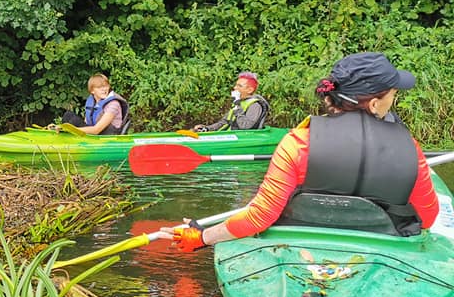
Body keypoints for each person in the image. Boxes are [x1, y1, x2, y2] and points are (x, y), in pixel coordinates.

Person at [163, 52, 439, 252]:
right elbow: (427, 218)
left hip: (302, 244)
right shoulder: (408, 147)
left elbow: (260, 217)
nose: (394, 99)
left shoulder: (298, 143)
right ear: (376, 103)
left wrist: (202, 237)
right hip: (382, 247)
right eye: (393, 93)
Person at [193, 71, 269, 132]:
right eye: (236, 85)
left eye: (240, 86)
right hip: (231, 135)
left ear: (250, 90)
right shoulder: (239, 102)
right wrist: (207, 128)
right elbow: (224, 122)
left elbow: (245, 126)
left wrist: (237, 108)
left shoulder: (255, 106)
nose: (235, 87)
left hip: (243, 139)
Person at [61, 74, 130, 134]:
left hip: (106, 135)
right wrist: (62, 128)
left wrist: (69, 130)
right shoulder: (92, 101)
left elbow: (96, 130)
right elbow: (86, 122)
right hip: (94, 132)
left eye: (105, 86)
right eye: (99, 87)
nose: (104, 89)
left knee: (70, 122)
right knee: (68, 115)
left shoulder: (113, 104)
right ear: (92, 91)